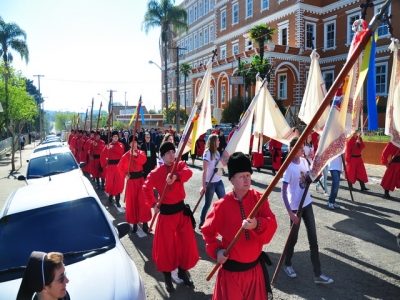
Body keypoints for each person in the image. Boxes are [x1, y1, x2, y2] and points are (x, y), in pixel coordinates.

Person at [201, 152, 277, 300]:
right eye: (241, 176)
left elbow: (272, 223)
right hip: (231, 274)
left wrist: (257, 224)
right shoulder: (221, 205)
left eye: (248, 175)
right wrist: (217, 251)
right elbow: (207, 231)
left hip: (255, 272)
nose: (246, 179)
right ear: (232, 180)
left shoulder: (259, 199)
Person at [143, 142, 199, 293]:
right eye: (168, 153)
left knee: (186, 245)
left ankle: (183, 271)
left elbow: (188, 172)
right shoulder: (156, 172)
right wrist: (153, 204)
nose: (171, 154)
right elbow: (146, 187)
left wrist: (176, 176)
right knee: (166, 249)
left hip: (182, 213)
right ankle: (167, 278)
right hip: (166, 216)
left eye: (173, 152)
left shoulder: (179, 165)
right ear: (162, 156)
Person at [281, 137, 333, 284]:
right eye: (299, 147)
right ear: (291, 149)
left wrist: (313, 176)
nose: (302, 149)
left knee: (313, 238)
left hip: (307, 203)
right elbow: (283, 192)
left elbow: (310, 176)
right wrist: (290, 213)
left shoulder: (304, 161)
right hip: (295, 208)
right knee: (293, 239)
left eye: (303, 147)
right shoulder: (288, 167)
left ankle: (318, 274)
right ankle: (287, 264)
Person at [118, 135, 151, 233]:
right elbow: (119, 167)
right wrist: (125, 175)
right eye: (132, 143)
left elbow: (143, 160)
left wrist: (135, 155)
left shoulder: (142, 153)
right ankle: (134, 223)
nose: (134, 144)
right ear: (129, 144)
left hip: (141, 180)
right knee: (132, 203)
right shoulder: (126, 155)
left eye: (135, 142)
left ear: (137, 143)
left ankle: (145, 223)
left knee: (143, 202)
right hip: (131, 182)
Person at [199, 134, 226, 229]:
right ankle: (202, 222)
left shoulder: (218, 153)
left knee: (224, 201)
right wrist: (203, 185)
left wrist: (224, 162)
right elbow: (204, 170)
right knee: (207, 204)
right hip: (210, 183)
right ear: (214, 142)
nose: (219, 142)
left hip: (218, 181)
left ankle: (222, 221)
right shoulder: (207, 153)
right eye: (218, 140)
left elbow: (221, 166)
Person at [100, 130, 125, 206]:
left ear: (118, 137)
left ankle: (117, 200)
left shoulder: (121, 145)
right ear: (112, 137)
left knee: (118, 183)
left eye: (116, 136)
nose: (115, 137)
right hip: (110, 167)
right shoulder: (108, 146)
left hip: (118, 167)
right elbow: (102, 155)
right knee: (110, 183)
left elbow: (120, 151)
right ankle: (110, 196)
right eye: (114, 136)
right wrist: (104, 164)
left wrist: (112, 147)